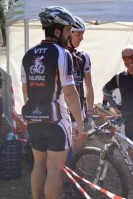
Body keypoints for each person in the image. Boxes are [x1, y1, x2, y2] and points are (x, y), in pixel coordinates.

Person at [21, 7, 85, 199]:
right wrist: (80, 124)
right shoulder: (62, 53)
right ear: (57, 31)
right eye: (67, 30)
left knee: (38, 165)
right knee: (54, 170)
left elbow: (25, 91)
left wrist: (33, 113)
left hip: (33, 119)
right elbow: (70, 92)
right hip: (57, 121)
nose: (69, 35)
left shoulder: (28, 54)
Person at [103, 45, 133, 149]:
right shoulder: (120, 77)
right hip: (127, 123)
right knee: (131, 155)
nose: (130, 60)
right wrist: (114, 106)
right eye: (126, 58)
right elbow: (106, 90)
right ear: (123, 60)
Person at [65, 16, 94, 154]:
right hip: (60, 111)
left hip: (79, 111)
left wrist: (90, 112)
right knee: (61, 154)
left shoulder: (83, 57)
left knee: (78, 153)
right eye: (79, 34)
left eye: (83, 34)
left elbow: (88, 85)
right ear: (69, 33)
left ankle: (75, 174)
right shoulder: (58, 55)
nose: (82, 38)